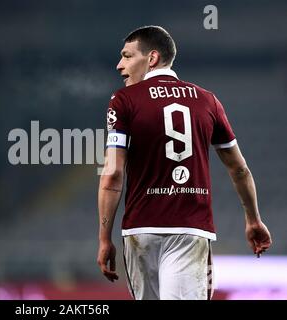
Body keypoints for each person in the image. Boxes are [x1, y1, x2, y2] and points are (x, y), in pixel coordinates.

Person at [96, 25, 272, 300]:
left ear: (151, 58)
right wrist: (253, 220)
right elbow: (239, 168)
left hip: (140, 230)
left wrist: (104, 237)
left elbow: (113, 174)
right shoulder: (207, 101)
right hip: (189, 229)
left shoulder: (123, 101)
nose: (120, 65)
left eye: (127, 56)